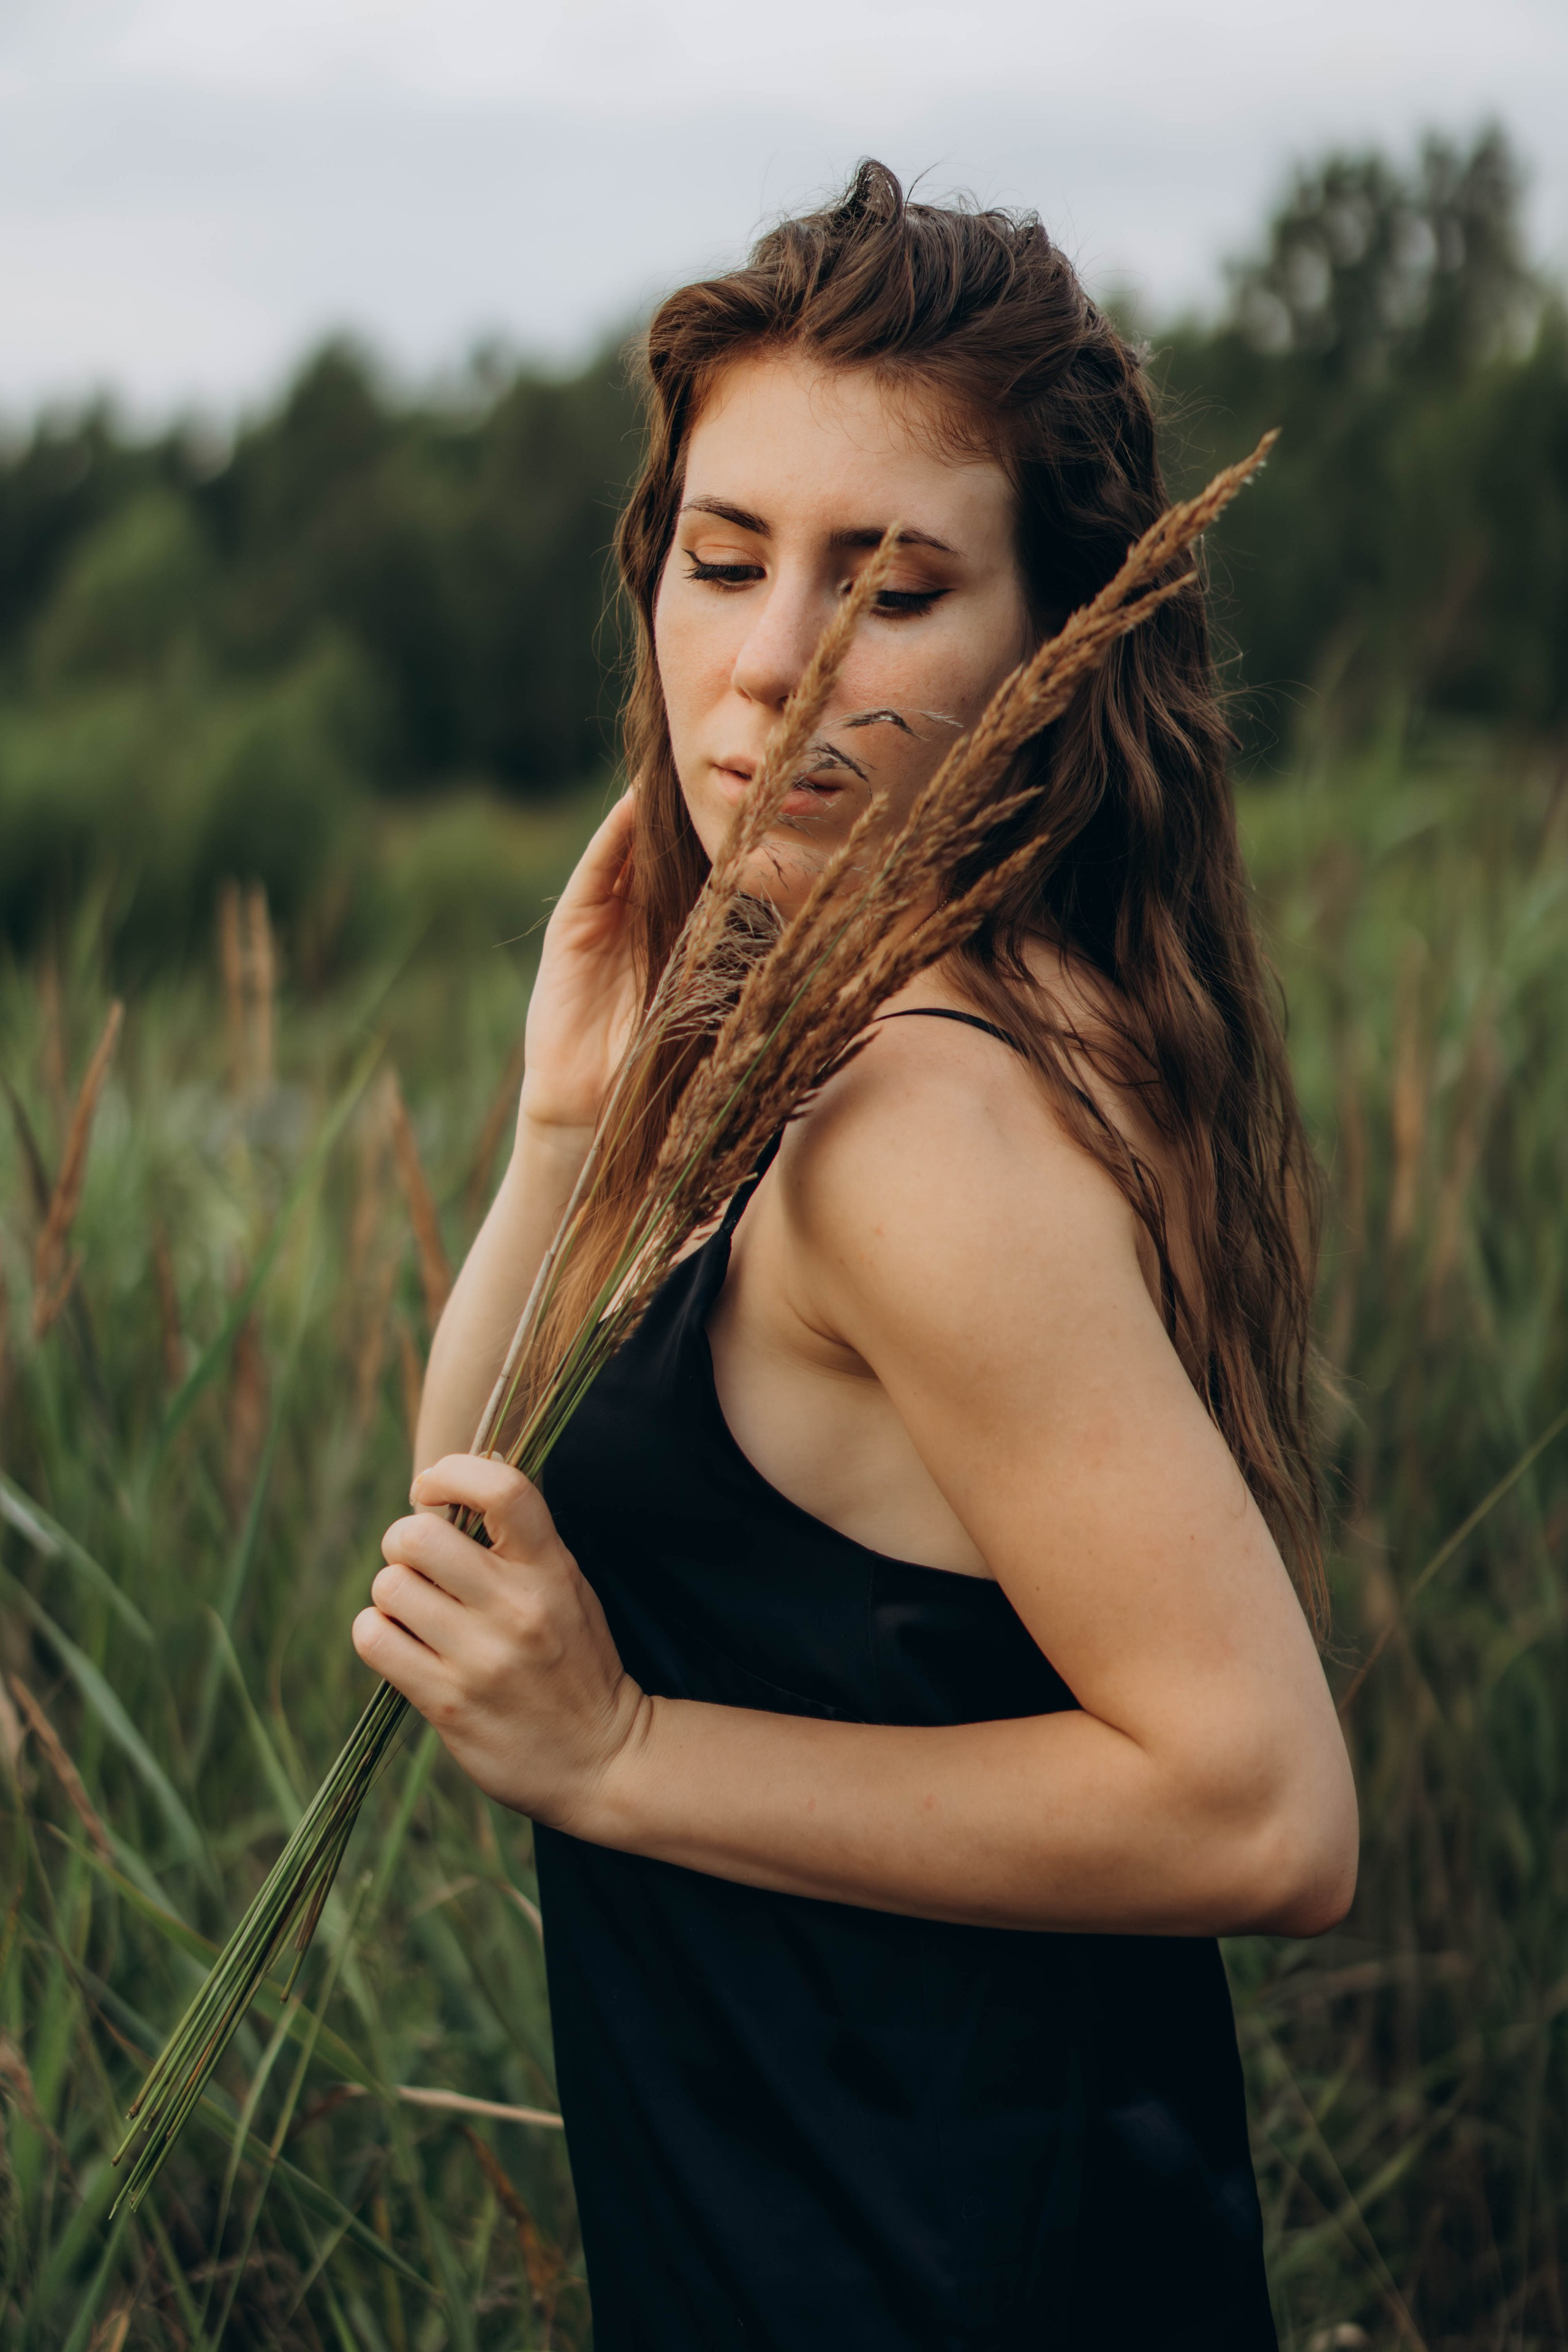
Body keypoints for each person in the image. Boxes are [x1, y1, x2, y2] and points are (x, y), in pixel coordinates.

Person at [354, 162, 1359, 2351]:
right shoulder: (901, 1018)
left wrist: (625, 1755)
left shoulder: (923, 1122)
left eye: (891, 588)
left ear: (1051, 638)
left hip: (924, 2270)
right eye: (725, 562)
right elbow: (471, 1534)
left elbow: (1265, 1811)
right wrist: (570, 1136)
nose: (772, 667)